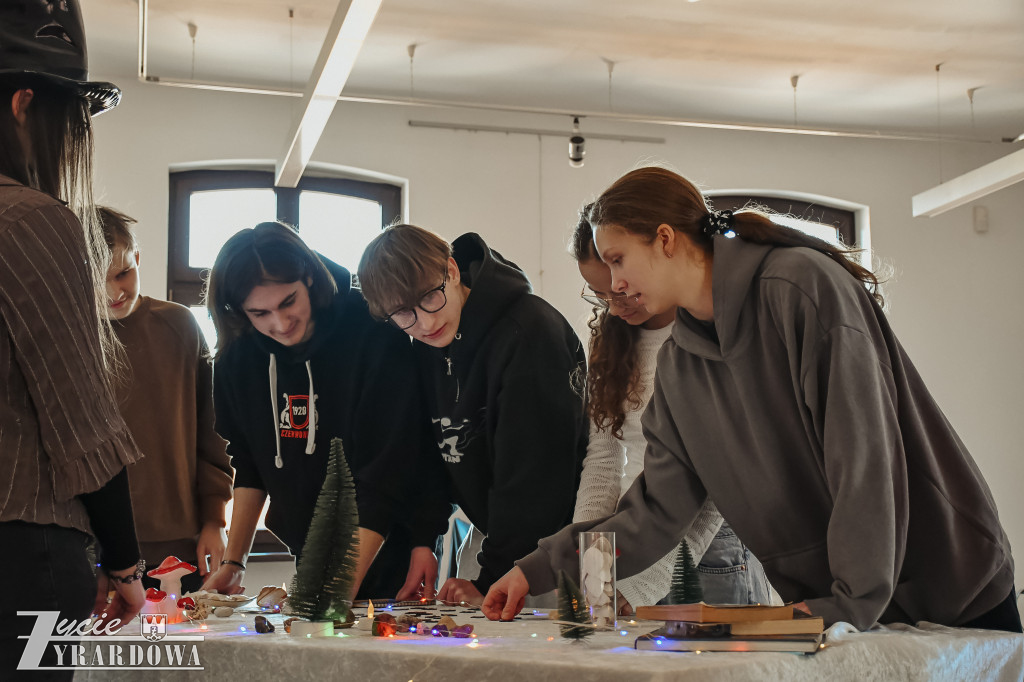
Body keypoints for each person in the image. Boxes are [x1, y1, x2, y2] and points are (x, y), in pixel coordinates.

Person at [483, 166, 1020, 633]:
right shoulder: (680, 365)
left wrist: (851, 602)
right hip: (842, 603)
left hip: (946, 577)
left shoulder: (800, 288)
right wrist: (537, 570)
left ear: (665, 239)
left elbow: (863, 458)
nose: (615, 285)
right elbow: (655, 513)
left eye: (618, 261)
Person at [0, 1, 146, 676]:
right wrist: (122, 559)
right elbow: (79, 419)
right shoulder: (31, 220)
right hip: (20, 546)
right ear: (24, 105)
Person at [201, 222, 446, 601]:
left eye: (288, 302)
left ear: (310, 277)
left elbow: (387, 473)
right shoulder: (238, 357)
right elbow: (251, 464)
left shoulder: (371, 331)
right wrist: (234, 564)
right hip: (311, 544)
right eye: (259, 313)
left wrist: (338, 587)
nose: (280, 324)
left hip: (391, 540)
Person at [358, 224, 587, 606]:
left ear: (451, 270)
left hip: (560, 551)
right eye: (403, 314)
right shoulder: (425, 346)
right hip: (503, 540)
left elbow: (535, 479)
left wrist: (490, 577)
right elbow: (431, 454)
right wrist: (423, 538)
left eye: (430, 297)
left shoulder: (529, 333)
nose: (426, 323)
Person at [569, 208, 774, 612]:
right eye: (600, 294)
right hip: (635, 530)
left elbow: (712, 482)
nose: (613, 304)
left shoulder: (706, 331)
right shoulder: (611, 344)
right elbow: (603, 458)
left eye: (619, 289)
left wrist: (646, 583)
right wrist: (590, 563)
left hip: (711, 547)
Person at [99, 207, 234, 596]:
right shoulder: (69, 339)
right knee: (101, 658)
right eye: (97, 279)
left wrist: (214, 519)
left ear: (138, 259)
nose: (114, 291)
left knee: (173, 656)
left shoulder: (179, 325)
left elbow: (213, 431)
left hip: (179, 546)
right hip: (94, 550)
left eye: (123, 272)